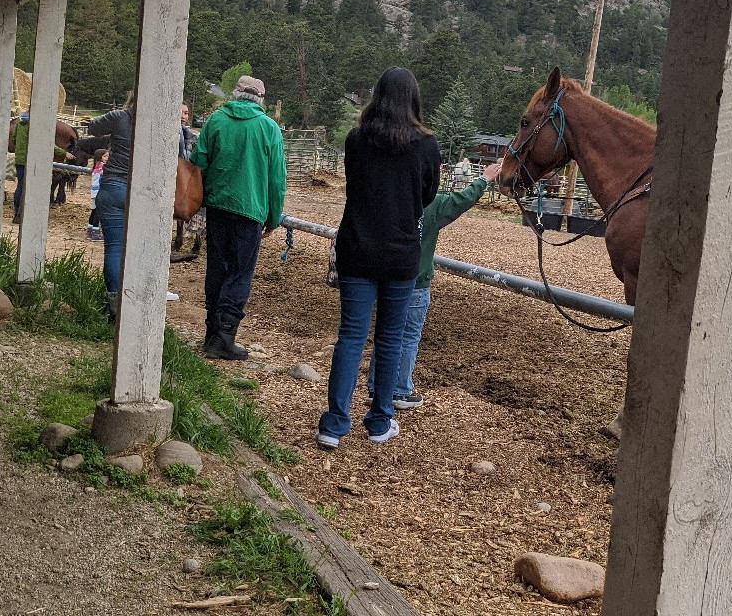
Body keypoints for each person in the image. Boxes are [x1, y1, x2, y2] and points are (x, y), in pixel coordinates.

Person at [316, 66, 441, 450]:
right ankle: (379, 421)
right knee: (389, 340)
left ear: (377, 96)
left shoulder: (356, 141)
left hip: (357, 248)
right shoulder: (427, 146)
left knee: (350, 337)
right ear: (413, 100)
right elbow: (429, 195)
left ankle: (334, 425)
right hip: (401, 255)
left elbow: (354, 185)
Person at [366, 161, 501, 410]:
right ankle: (399, 390)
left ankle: (376, 387)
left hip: (387, 279)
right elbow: (462, 200)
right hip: (416, 282)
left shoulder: (390, 200)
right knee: (408, 337)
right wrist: (484, 179)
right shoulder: (434, 204)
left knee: (384, 334)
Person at [189, 76, 286, 361]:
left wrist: (203, 196)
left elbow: (198, 162)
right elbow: (276, 178)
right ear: (261, 99)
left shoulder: (216, 120)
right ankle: (225, 337)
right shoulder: (269, 128)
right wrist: (274, 216)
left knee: (217, 267)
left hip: (218, 207)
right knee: (240, 272)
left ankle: (210, 335)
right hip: (251, 211)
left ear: (236, 94)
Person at [86, 96, 135, 316]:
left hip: (115, 185)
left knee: (115, 247)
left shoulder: (119, 117)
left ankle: (115, 307)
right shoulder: (162, 122)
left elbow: (94, 127)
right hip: (144, 192)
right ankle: (136, 301)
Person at [12, 110, 73, 224]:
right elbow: (47, 143)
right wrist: (64, 153)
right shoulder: (36, 126)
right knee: (35, 187)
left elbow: (14, 139)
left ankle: (17, 214)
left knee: (20, 185)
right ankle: (30, 215)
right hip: (33, 161)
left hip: (20, 160)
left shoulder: (19, 125)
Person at [86, 148, 108, 241]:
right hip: (99, 192)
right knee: (98, 213)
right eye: (105, 156)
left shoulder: (96, 166)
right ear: (100, 157)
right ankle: (95, 232)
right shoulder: (102, 167)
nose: (107, 158)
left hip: (94, 192)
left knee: (94, 211)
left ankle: (90, 230)